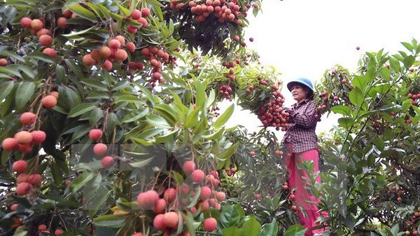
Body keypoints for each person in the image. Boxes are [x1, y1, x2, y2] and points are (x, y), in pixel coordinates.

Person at [281, 78, 328, 236]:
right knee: (297, 192)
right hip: (291, 150)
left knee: (312, 186)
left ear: (306, 90)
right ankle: (308, 231)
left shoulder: (312, 104)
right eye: (292, 88)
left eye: (297, 88)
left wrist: (289, 112)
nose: (293, 91)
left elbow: (307, 121)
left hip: (306, 147)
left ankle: (323, 227)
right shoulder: (293, 107)